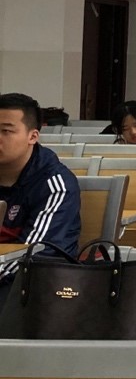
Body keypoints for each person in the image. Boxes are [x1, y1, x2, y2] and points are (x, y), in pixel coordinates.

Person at [0, 93, 81, 301]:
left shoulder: (55, 183)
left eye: (6, 131)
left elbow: (32, 253)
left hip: (36, 286)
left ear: (33, 136)